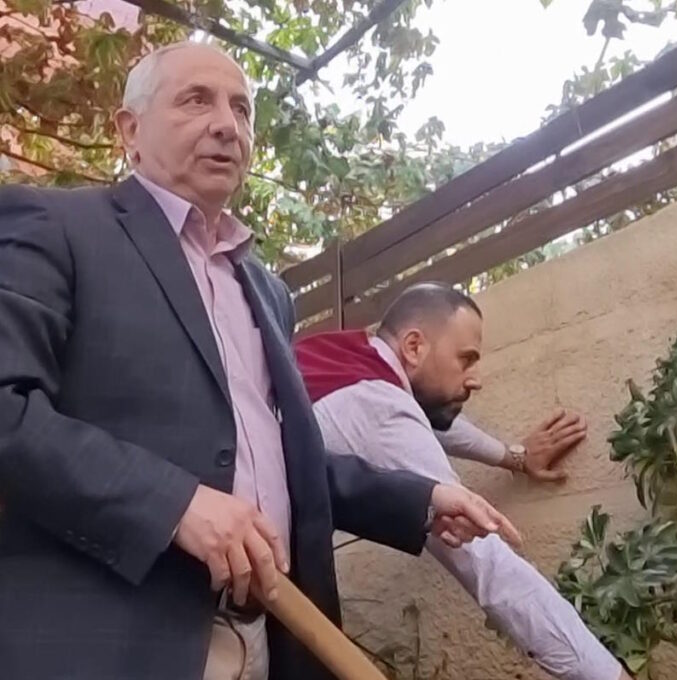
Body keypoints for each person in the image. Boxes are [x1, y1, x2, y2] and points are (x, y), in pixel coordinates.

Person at [0, 42, 520, 680]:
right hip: (108, 644)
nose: (228, 124)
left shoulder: (269, 292)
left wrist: (418, 498)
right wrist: (174, 503)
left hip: (271, 644)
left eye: (242, 109)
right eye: (197, 100)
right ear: (129, 131)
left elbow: (275, 464)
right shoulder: (56, 225)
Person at [295, 283, 629, 680]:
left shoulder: (347, 360)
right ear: (415, 347)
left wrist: (514, 457)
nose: (476, 380)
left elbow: (430, 424)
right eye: (465, 360)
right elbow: (491, 568)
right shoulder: (377, 405)